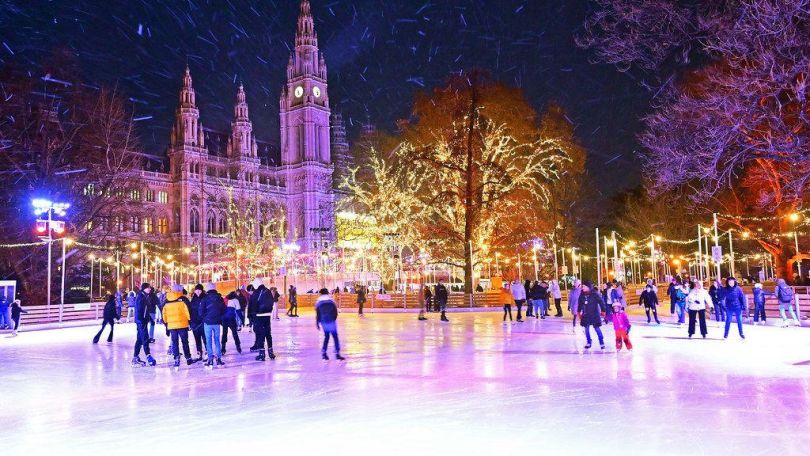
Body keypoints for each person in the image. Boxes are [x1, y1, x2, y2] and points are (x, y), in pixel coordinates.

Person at [163, 284, 196, 367]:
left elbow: (164, 313)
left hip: (171, 325)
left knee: (174, 342)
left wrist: (166, 323)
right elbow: (188, 311)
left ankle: (176, 358)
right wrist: (190, 321)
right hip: (182, 324)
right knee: (185, 341)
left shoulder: (167, 300)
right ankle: (188, 358)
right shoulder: (184, 299)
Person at [199, 282, 225, 368]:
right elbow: (223, 309)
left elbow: (201, 311)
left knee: (208, 340)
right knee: (217, 340)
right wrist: (219, 317)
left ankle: (210, 359)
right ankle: (219, 359)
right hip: (217, 322)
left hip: (207, 323)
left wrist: (204, 319)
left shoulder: (204, 298)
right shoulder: (219, 298)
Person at [250, 278, 276, 361]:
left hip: (259, 315)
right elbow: (272, 301)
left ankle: (262, 354)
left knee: (260, 334)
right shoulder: (268, 291)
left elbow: (252, 304)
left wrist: (252, 315)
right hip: (267, 315)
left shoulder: (256, 292)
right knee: (268, 333)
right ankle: (271, 352)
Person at [132, 283, 157, 367]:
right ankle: (148, 356)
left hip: (142, 321)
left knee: (139, 339)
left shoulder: (144, 296)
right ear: (144, 289)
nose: (150, 289)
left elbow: (146, 311)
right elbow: (139, 310)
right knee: (145, 338)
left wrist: (150, 319)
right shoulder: (141, 297)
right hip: (141, 321)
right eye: (148, 288)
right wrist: (141, 321)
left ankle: (135, 358)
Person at [316, 288, 345, 360]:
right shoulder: (331, 301)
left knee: (327, 337)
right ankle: (337, 353)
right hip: (331, 321)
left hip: (324, 322)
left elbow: (318, 314)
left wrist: (318, 322)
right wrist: (333, 319)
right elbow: (335, 312)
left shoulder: (318, 302)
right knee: (335, 337)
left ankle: (324, 353)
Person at [577, 281, 606, 350]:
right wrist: (579, 312)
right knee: (586, 329)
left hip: (594, 314)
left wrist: (603, 310)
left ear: (588, 287)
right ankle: (589, 342)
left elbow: (601, 302)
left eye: (583, 286)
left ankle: (601, 342)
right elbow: (580, 304)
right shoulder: (582, 295)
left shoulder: (594, 294)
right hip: (586, 314)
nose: (582, 288)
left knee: (597, 329)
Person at [189, 284, 206, 361]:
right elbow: (190, 311)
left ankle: (207, 353)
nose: (198, 291)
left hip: (203, 323)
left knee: (205, 338)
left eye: (199, 290)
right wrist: (190, 322)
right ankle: (199, 353)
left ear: (202, 290)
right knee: (197, 339)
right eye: (197, 290)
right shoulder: (193, 299)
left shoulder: (205, 298)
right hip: (195, 323)